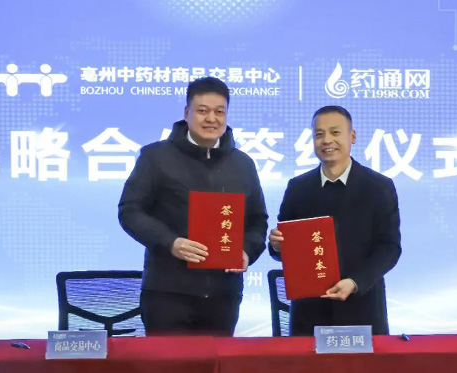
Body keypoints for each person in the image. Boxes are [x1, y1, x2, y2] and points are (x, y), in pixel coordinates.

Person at [118, 77, 268, 336]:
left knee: (216, 363)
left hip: (224, 296)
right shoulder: (156, 157)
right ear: (187, 113)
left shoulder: (243, 164)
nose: (211, 119)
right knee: (167, 363)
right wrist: (170, 242)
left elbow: (258, 221)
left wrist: (246, 251)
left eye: (219, 112)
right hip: (167, 292)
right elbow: (130, 211)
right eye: (202, 111)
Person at [269, 105, 401, 335]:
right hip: (309, 312)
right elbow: (283, 249)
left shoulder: (379, 187)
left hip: (362, 309)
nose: (327, 140)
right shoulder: (298, 188)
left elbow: (389, 248)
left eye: (335, 132)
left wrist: (355, 282)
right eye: (319, 134)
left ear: (352, 136)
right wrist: (276, 245)